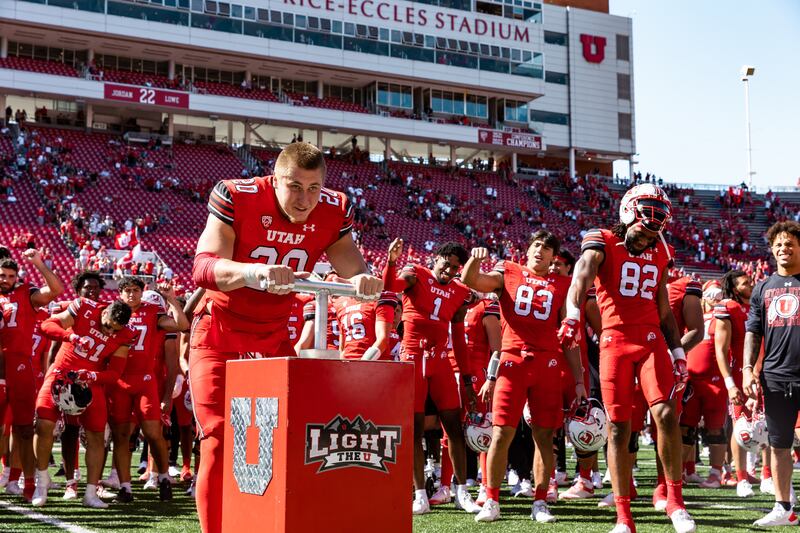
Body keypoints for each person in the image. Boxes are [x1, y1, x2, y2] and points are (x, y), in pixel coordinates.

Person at [190, 142, 382, 533]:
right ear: (275, 178)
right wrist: (251, 273)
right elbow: (204, 266)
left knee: (284, 441)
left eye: (314, 188)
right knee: (218, 438)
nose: (305, 199)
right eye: (295, 186)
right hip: (220, 330)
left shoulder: (334, 207)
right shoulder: (237, 195)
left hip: (275, 337)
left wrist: (361, 278)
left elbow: (349, 261)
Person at [560, 184, 696, 533]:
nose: (646, 236)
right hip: (615, 342)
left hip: (651, 341)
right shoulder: (602, 239)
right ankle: (624, 516)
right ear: (628, 213)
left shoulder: (662, 250)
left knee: (666, 413)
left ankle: (675, 502)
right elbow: (582, 274)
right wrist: (573, 316)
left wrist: (678, 351)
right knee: (618, 428)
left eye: (653, 230)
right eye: (642, 228)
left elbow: (664, 309)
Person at [461, 231, 585, 524]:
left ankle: (540, 502)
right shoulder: (509, 270)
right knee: (502, 432)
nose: (540, 251)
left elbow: (571, 338)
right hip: (512, 362)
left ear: (554, 257)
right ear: (528, 249)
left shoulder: (563, 284)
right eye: (537, 245)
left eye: (547, 248)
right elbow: (472, 281)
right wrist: (473, 263)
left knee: (544, 435)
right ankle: (491, 499)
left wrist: (579, 379)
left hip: (548, 363)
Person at [382, 238, 481, 516]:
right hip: (412, 359)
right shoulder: (416, 275)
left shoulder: (460, 291)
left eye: (454, 268)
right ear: (435, 258)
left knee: (454, 427)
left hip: (440, 363)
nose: (448, 271)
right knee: (414, 430)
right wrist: (391, 263)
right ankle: (420, 495)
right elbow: (391, 286)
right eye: (445, 264)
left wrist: (468, 381)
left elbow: (459, 339)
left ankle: (461, 492)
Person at [34, 299, 135, 508]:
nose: (109, 333)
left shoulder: (124, 335)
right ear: (105, 312)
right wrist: (71, 336)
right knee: (43, 423)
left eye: (115, 331)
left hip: (90, 381)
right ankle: (41, 482)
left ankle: (90, 492)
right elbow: (46, 325)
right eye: (108, 326)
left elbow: (115, 372)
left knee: (97, 435)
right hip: (61, 373)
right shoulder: (84, 308)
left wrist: (91, 375)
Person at [108, 276, 188, 503]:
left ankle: (163, 477)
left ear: (141, 292)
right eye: (127, 291)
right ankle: (125, 487)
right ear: (120, 294)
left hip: (144, 380)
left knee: (153, 433)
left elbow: (182, 325)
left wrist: (171, 299)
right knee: (121, 436)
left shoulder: (153, 311)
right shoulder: (112, 311)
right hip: (119, 381)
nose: (131, 295)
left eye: (135, 290)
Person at [743, 221, 800, 527]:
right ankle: (784, 508)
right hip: (775, 376)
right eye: (778, 244)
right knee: (778, 444)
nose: (783, 248)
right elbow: (752, 332)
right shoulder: (764, 287)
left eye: (789, 242)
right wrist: (747, 369)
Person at [0, 250, 64, 502]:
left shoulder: (25, 293)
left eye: (10, 276)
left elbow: (55, 290)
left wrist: (38, 263)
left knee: (25, 430)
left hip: (20, 368)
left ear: (17, 277)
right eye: (2, 275)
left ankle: (29, 484)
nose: (5, 279)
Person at [45, 271, 105, 500]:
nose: (91, 291)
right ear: (78, 291)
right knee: (70, 430)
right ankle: (71, 482)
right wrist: (52, 375)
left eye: (95, 287)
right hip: (70, 379)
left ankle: (96, 482)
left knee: (97, 433)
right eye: (86, 288)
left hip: (96, 379)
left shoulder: (105, 312)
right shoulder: (70, 309)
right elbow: (55, 346)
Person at [714, 269, 759, 496]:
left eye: (750, 281)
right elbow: (721, 350)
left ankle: (768, 474)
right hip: (741, 372)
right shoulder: (728, 307)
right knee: (740, 425)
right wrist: (731, 383)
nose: (750, 285)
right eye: (744, 283)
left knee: (769, 424)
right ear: (733, 287)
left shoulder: (758, 306)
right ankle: (741, 478)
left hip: (765, 372)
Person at [334, 290, 399, 360]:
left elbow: (383, 339)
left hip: (374, 363)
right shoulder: (340, 301)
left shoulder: (379, 295)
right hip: (348, 363)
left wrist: (364, 362)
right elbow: (342, 346)